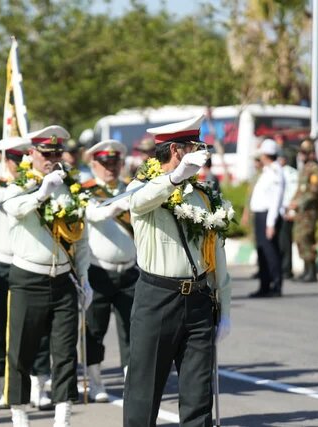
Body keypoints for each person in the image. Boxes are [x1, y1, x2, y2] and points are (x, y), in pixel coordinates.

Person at [123, 115, 231, 427]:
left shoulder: (203, 193)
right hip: (157, 298)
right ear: (176, 151)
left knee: (199, 397)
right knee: (143, 393)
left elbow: (216, 254)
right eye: (195, 147)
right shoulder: (143, 187)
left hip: (198, 299)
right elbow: (139, 202)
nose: (202, 153)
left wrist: (225, 307)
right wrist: (175, 177)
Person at [3, 125, 92, 427]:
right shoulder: (20, 185)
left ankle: (62, 414)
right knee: (21, 350)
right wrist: (41, 193)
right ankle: (19, 412)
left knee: (65, 350)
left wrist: (85, 278)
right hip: (29, 278)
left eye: (57, 153)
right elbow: (14, 209)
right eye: (46, 153)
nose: (52, 159)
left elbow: (81, 237)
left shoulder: (71, 187)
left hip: (64, 279)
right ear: (31, 154)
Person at [0, 136, 52, 410]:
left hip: (33, 262)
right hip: (2, 261)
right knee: (2, 325)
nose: (18, 165)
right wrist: (32, 188)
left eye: (23, 160)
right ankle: (2, 383)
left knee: (39, 325)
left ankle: (39, 384)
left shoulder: (43, 181)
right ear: (6, 161)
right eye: (14, 161)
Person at [81, 139, 136, 403]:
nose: (110, 168)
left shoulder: (131, 189)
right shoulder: (86, 191)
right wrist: (119, 205)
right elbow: (96, 215)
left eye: (115, 163)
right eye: (105, 163)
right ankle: (95, 381)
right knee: (95, 330)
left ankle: (131, 381)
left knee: (133, 330)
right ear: (94, 164)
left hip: (130, 271)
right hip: (98, 271)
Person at [248, 139, 285, 297]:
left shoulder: (276, 172)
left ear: (266, 155)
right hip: (261, 216)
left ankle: (275, 285)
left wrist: (270, 224)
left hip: (268, 217)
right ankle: (264, 285)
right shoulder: (268, 171)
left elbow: (275, 201)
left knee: (270, 253)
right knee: (262, 252)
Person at [288, 139, 318, 283]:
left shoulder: (315, 170)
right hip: (301, 212)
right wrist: (292, 203)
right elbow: (300, 191)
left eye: (303, 152)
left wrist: (298, 203)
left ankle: (311, 272)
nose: (300, 155)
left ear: (310, 154)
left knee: (306, 239)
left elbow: (313, 193)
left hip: (309, 212)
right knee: (299, 239)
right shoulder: (305, 169)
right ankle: (306, 269)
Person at [278, 149, 298, 279]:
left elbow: (292, 193)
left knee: (285, 242)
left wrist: (290, 210)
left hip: (286, 211)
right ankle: (281, 268)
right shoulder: (278, 172)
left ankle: (286, 269)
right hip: (278, 211)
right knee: (280, 242)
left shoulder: (291, 173)